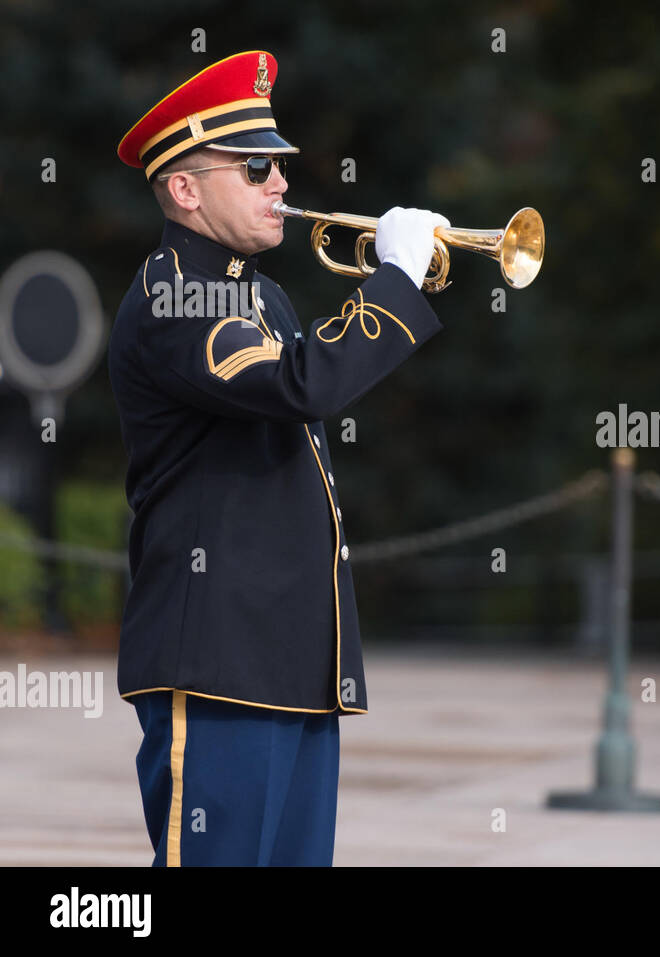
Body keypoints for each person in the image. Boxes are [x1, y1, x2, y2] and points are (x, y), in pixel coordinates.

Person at [108, 50, 448, 865]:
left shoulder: (261, 293)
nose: (281, 184)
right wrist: (394, 281)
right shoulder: (172, 294)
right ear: (185, 190)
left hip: (291, 658)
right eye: (255, 166)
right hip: (219, 654)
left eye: (280, 165)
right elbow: (299, 387)